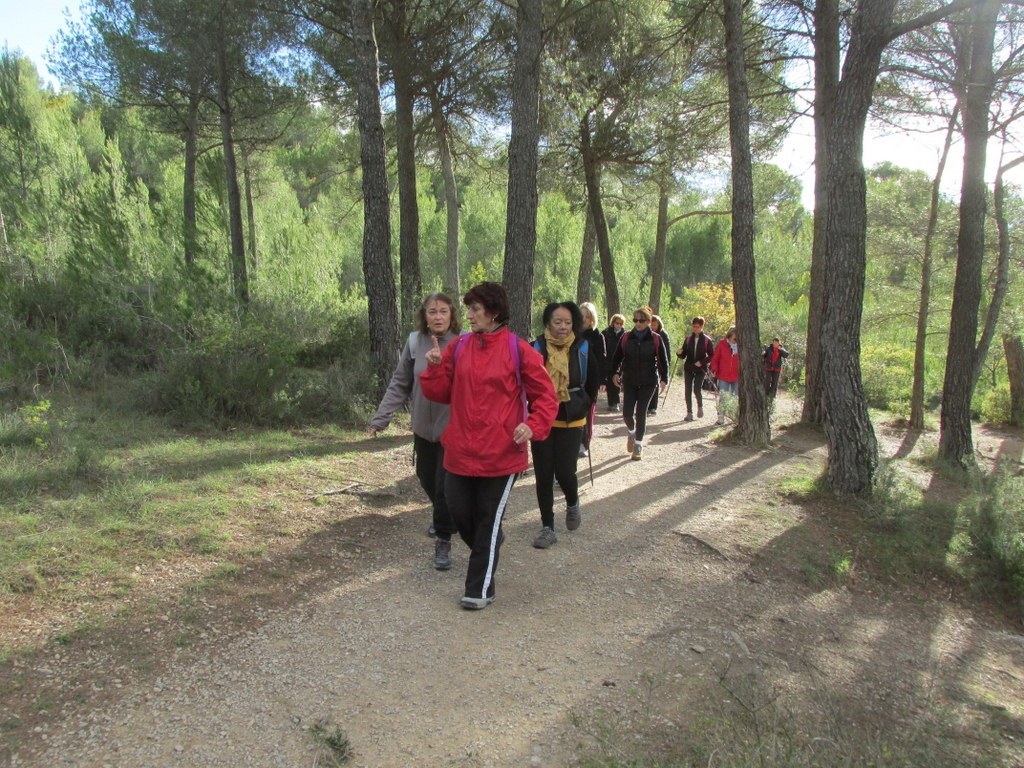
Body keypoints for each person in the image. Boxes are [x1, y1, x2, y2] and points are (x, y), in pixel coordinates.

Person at [420, 282, 558, 610]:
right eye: (468, 309)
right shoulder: (459, 346)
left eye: (475, 310)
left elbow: (546, 397)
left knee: (486, 518)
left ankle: (479, 590)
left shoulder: (518, 349)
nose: (467, 315)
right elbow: (439, 394)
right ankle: (490, 541)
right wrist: (436, 368)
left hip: (502, 454)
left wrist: (533, 424)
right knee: (459, 513)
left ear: (493, 312)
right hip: (459, 452)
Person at [369, 293, 460, 570]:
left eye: (443, 311)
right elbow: (400, 382)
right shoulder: (413, 342)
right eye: (432, 312)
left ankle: (443, 540)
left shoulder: (463, 343)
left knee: (445, 487)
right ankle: (447, 516)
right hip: (422, 427)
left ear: (451, 315)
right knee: (426, 478)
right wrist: (382, 417)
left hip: (451, 429)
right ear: (425, 315)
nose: (437, 317)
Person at [530, 302, 601, 549]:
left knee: (564, 472)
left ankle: (572, 503)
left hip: (572, 417)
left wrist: (581, 404)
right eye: (557, 322)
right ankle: (548, 527)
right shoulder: (536, 347)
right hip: (541, 417)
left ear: (574, 324)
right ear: (548, 322)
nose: (562, 327)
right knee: (543, 475)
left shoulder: (582, 347)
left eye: (567, 322)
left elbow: (592, 382)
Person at [610, 306, 668, 461]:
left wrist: (664, 379)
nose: (638, 323)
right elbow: (617, 357)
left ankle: (638, 445)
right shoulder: (626, 337)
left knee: (641, 412)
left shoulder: (656, 338)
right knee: (627, 413)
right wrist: (615, 373)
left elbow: (663, 360)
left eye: (641, 320)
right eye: (635, 320)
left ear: (649, 321)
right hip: (629, 380)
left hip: (649, 381)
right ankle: (631, 432)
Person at [577, 302, 607, 458]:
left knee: (588, 413)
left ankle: (584, 443)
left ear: (592, 319)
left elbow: (602, 360)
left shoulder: (598, 336)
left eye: (587, 316)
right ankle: (575, 441)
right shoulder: (572, 334)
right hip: (575, 379)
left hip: (591, 381)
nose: (584, 319)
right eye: (581, 315)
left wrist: (603, 380)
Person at [676, 316, 714, 422]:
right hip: (688, 367)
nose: (695, 329)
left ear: (702, 326)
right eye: (694, 326)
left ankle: (700, 407)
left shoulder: (707, 340)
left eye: (697, 327)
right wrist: (679, 353)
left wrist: (702, 362)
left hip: (700, 369)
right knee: (687, 390)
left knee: (697, 389)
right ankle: (689, 413)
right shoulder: (688, 339)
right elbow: (683, 355)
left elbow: (712, 355)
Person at [709, 326, 739, 425]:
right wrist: (714, 369)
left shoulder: (741, 346)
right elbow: (715, 359)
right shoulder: (722, 344)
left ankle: (734, 417)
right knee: (723, 397)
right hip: (723, 375)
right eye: (735, 338)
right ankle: (720, 417)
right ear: (730, 336)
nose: (736, 340)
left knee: (736, 397)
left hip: (737, 376)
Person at [647, 315, 671, 417]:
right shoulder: (648, 334)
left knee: (656, 384)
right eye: (651, 325)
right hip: (651, 363)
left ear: (659, 325)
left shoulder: (663, 335)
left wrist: (667, 365)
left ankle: (653, 407)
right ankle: (647, 406)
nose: (653, 327)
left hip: (661, 362)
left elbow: (667, 351)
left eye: (655, 325)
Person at [602, 314, 626, 412]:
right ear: (613, 323)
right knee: (609, 383)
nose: (618, 325)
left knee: (616, 382)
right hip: (608, 361)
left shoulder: (625, 334)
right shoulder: (606, 332)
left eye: (621, 324)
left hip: (619, 362)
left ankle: (615, 403)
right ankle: (610, 403)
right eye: (617, 323)